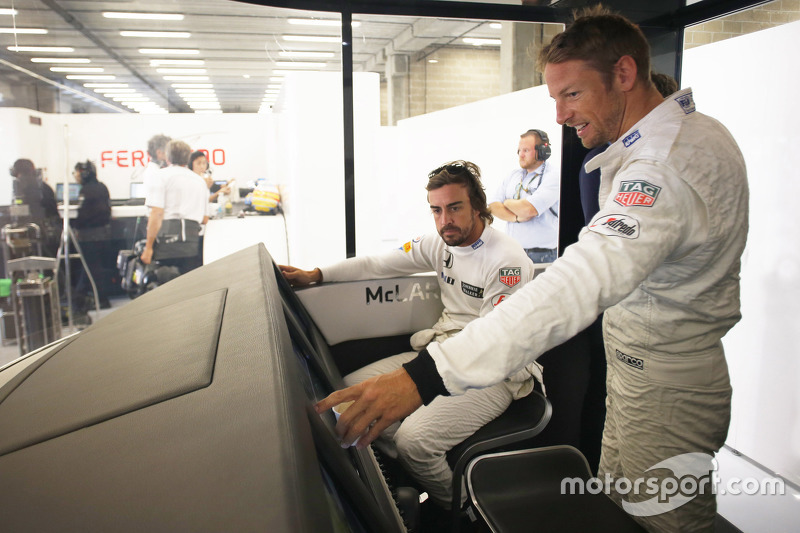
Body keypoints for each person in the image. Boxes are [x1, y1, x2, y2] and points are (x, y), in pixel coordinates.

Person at [317, 7, 748, 533]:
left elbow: (578, 282)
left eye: (572, 94)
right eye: (555, 99)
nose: (561, 117)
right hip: (641, 376)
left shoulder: (664, 164)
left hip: (667, 387)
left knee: (667, 522)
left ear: (625, 74)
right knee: (622, 511)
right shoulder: (664, 144)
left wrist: (426, 376)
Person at [281, 161, 538, 515]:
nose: (444, 219)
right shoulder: (438, 243)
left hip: (496, 371)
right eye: (436, 210)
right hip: (444, 350)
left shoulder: (507, 261)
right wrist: (316, 274)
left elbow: (492, 343)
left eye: (455, 207)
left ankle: (462, 510)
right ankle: (409, 476)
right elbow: (377, 264)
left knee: (414, 441)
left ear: (477, 206)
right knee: (345, 398)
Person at [575, 70, 679, 474]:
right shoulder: (604, 164)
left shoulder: (672, 164)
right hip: (623, 314)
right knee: (618, 437)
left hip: (651, 335)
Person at [488, 129, 560, 264]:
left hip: (543, 255)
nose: (521, 155)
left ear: (543, 151)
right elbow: (493, 205)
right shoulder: (513, 175)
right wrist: (516, 218)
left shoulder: (554, 176)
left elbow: (529, 209)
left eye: (526, 150)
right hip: (513, 252)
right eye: (519, 151)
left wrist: (508, 202)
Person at [142, 140, 209, 272]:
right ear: (188, 158)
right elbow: (204, 218)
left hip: (167, 242)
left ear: (167, 157)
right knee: (190, 284)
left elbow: (157, 213)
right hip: (192, 244)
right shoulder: (200, 181)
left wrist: (148, 247)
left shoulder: (160, 176)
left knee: (165, 283)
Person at [71, 160, 112, 311]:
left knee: (89, 268)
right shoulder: (102, 187)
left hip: (89, 235)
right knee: (95, 267)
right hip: (103, 234)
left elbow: (83, 216)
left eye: (76, 173)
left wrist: (75, 227)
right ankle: (99, 298)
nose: (75, 176)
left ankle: (80, 300)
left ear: (84, 173)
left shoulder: (86, 191)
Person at [9, 158, 61, 257]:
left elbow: (19, 209)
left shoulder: (20, 186)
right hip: (50, 233)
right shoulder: (44, 186)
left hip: (30, 233)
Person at [142, 134, 171, 202]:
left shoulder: (159, 169)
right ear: (159, 153)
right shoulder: (153, 173)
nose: (171, 154)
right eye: (169, 151)